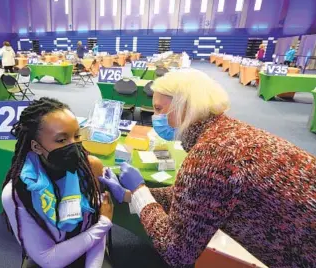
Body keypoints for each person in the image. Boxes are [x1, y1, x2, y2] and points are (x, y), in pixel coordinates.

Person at [99, 70, 316, 268]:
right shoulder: (228, 132)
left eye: (159, 109)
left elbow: (176, 252)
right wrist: (129, 195)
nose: (155, 118)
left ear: (185, 106)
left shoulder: (210, 154)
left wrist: (139, 192)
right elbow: (191, 200)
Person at [1, 97, 114, 268]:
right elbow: (48, 258)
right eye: (61, 140)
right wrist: (104, 223)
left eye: (76, 135)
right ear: (36, 147)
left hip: (89, 249)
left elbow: (97, 228)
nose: (74, 145)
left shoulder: (90, 169)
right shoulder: (19, 192)